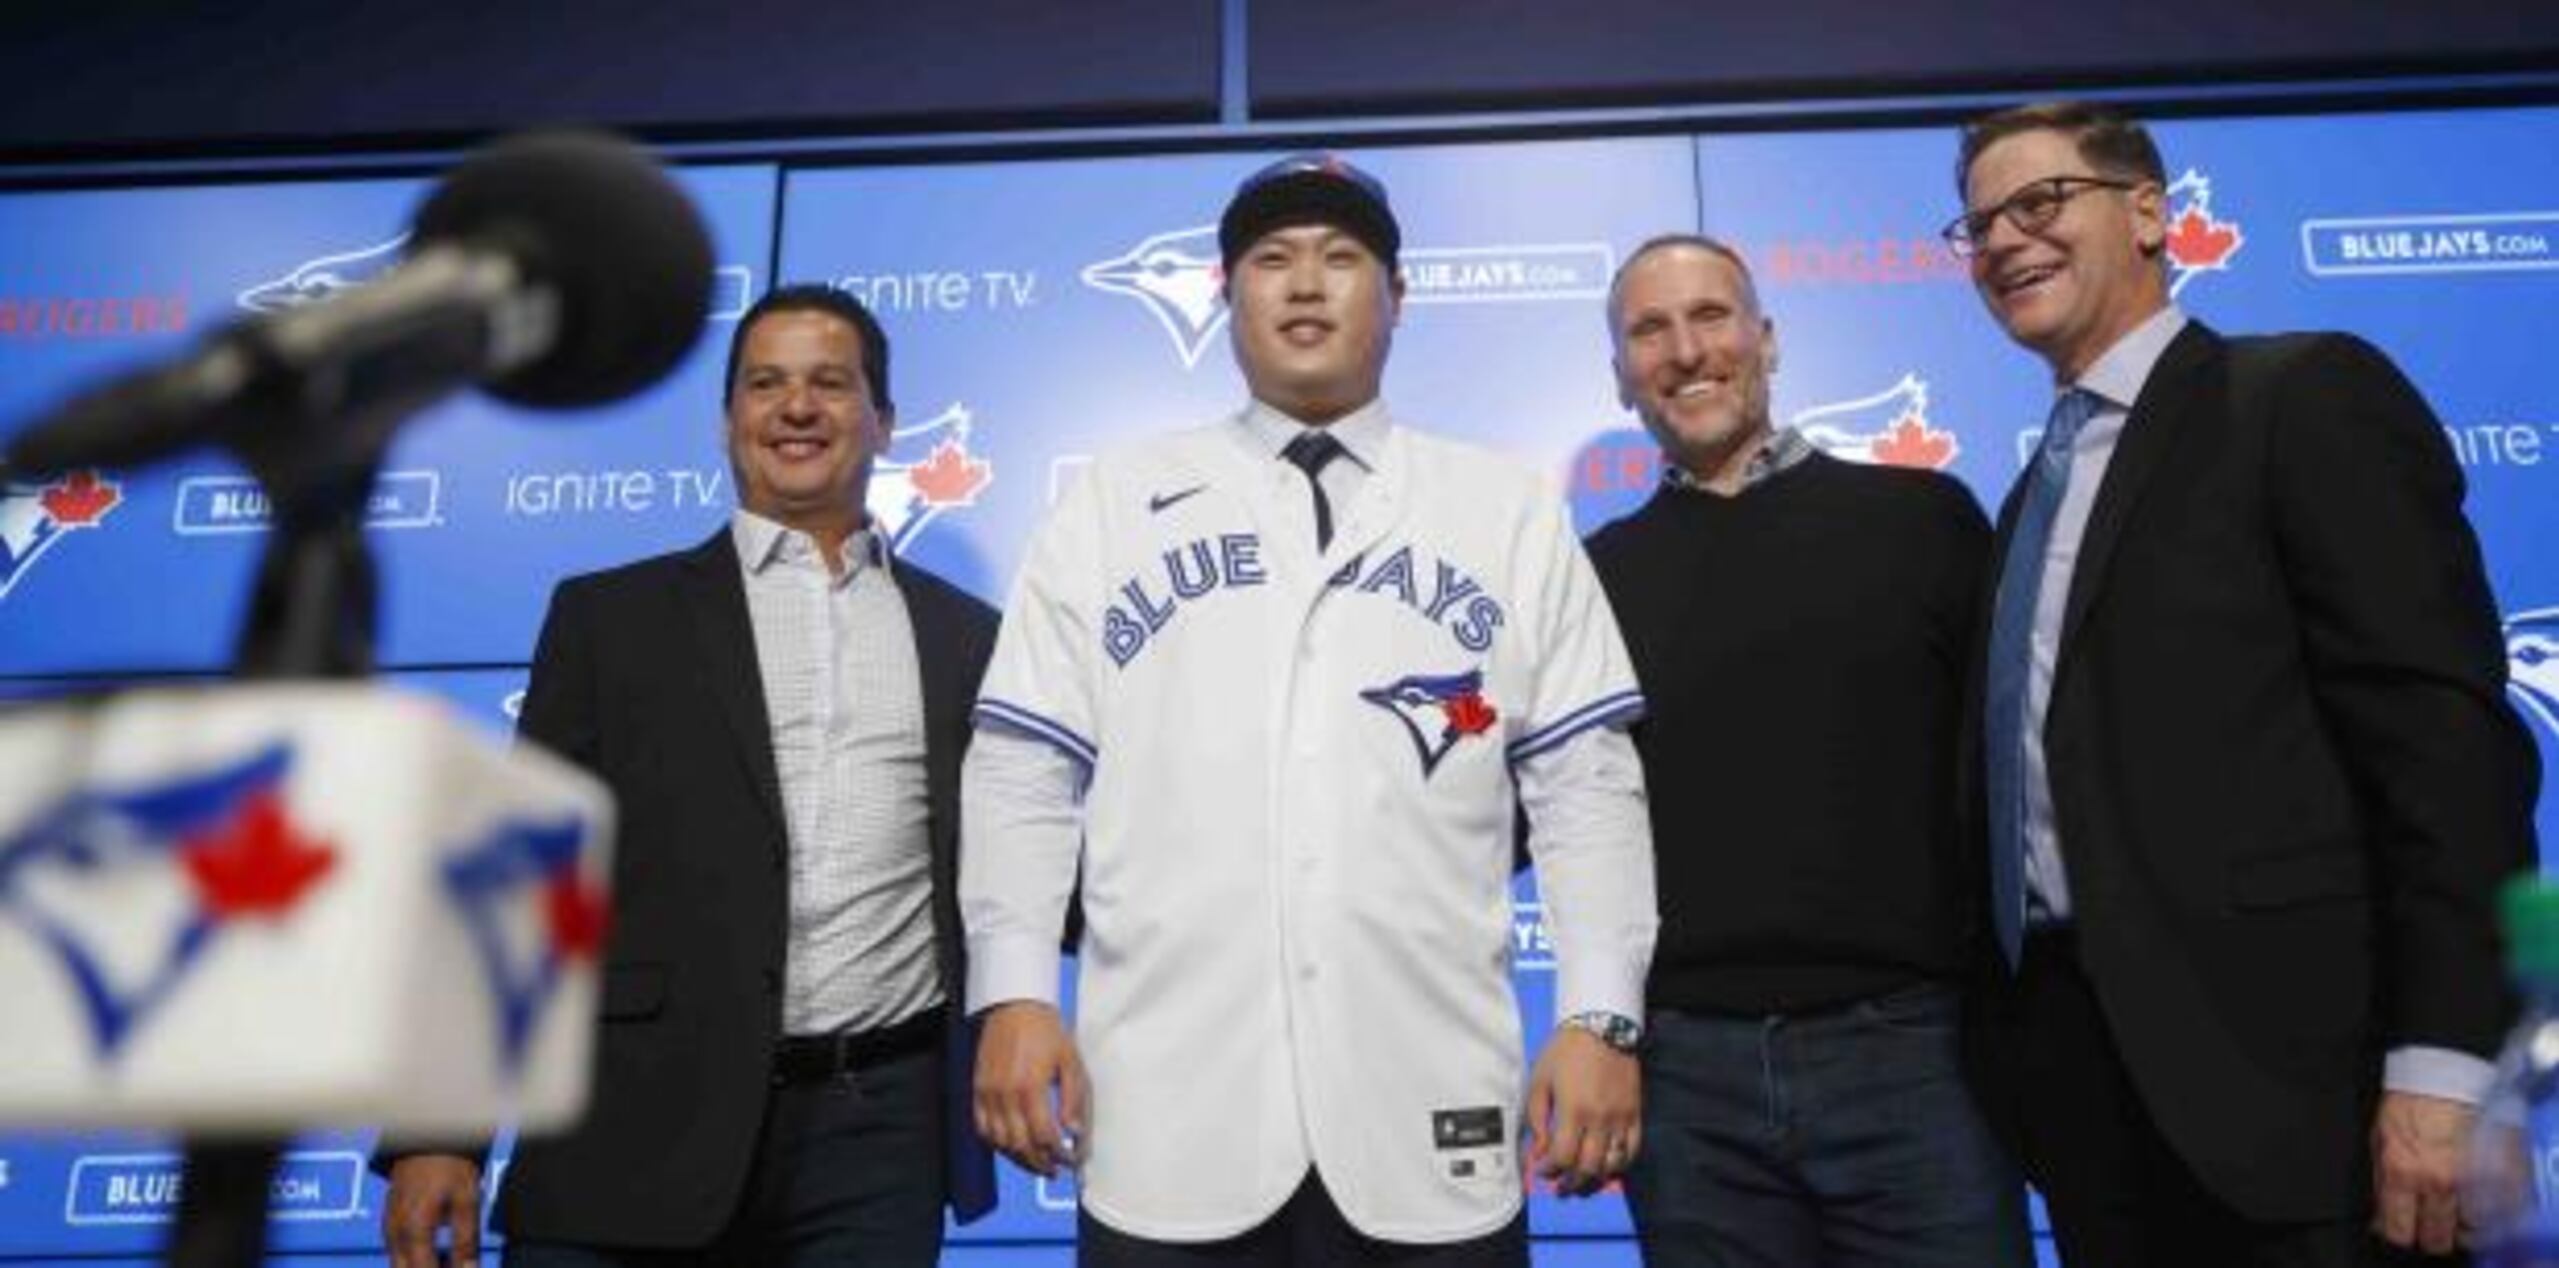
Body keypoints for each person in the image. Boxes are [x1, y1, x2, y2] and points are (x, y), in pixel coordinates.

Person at [959, 153, 1658, 1266]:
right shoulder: (1111, 498)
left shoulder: (1504, 509)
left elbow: (1587, 790)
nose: (1303, 283)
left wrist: (1597, 1015)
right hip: (1167, 1114)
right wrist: (1010, 991)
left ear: (1397, 298)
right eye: (1270, 259)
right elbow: (1023, 771)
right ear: (1225, 293)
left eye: (1341, 258)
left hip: (1430, 1110)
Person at [1950, 100, 2541, 1265]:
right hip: (2085, 1094)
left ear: (2150, 212)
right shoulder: (2032, 494)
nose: (2004, 240)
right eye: (1975, 227)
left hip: (2298, 1099)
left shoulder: (2301, 398)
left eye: (2039, 202)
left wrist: (2443, 1063)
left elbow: (2445, 753)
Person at [379, 284, 999, 1267]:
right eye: (766, 383)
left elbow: (1021, 865)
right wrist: (440, 1128)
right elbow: (513, 878)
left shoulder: (971, 637)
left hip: (875, 1142)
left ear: (884, 420)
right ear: (727, 420)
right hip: (628, 1122)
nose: (797, 407)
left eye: (830, 383)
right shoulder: (608, 619)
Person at [1586, 233, 2028, 1266]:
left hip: (1916, 1057)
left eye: (1711, 315)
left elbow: (2012, 774)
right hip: (1686, 1079)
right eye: (1650, 329)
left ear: (1766, 338)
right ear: (1620, 376)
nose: (1686, 350)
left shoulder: (1922, 519)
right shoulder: (1590, 577)